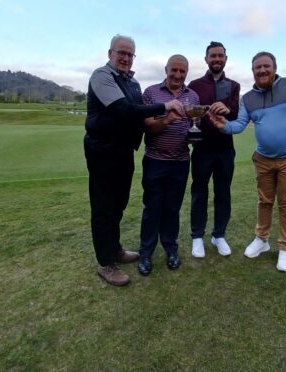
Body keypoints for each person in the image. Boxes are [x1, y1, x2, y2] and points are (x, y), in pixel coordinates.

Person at [84, 35, 183, 286]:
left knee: (118, 204)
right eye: (122, 53)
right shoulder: (102, 76)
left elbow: (139, 119)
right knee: (104, 208)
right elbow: (124, 111)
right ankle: (106, 263)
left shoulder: (133, 83)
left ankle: (115, 249)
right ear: (110, 53)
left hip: (123, 151)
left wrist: (165, 123)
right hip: (102, 151)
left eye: (130, 54)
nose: (126, 58)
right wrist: (164, 106)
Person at [208, 51, 286, 272]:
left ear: (275, 67)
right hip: (264, 159)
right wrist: (223, 126)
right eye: (257, 67)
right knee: (264, 201)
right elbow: (239, 124)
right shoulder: (248, 98)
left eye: (266, 66)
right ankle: (262, 240)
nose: (262, 70)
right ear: (253, 71)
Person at [136, 55, 200, 276]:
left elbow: (194, 127)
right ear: (166, 69)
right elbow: (148, 129)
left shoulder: (193, 96)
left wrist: (194, 137)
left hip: (181, 162)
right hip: (155, 161)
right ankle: (145, 253)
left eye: (182, 71)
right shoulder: (151, 93)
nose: (178, 75)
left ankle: (171, 250)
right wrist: (169, 118)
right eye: (174, 70)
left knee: (173, 209)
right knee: (152, 208)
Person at [188, 41, 241, 259]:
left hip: (225, 149)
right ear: (206, 59)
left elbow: (237, 114)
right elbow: (189, 114)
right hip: (201, 149)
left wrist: (228, 109)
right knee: (199, 193)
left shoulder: (234, 85)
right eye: (213, 56)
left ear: (225, 59)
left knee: (223, 193)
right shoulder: (195, 84)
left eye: (220, 56)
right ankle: (197, 236)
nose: (217, 59)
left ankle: (219, 235)